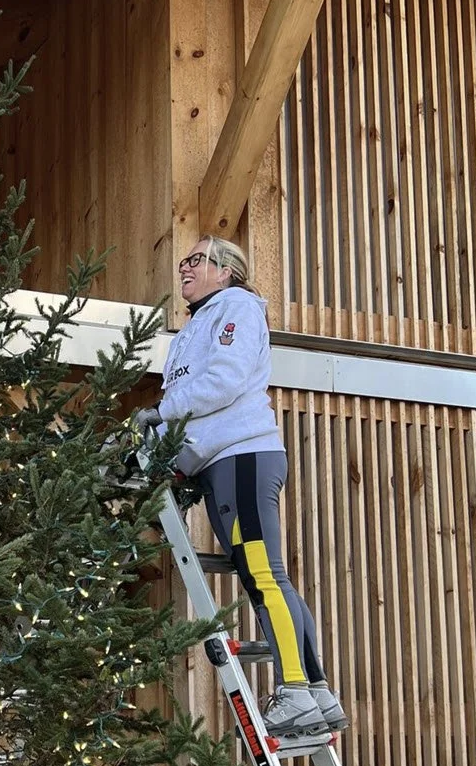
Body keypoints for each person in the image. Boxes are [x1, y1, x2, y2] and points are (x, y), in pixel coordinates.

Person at [138, 236, 348, 739]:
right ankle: (315, 692)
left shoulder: (237, 308)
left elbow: (224, 384)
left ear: (226, 270)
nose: (183, 269)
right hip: (222, 463)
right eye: (182, 262)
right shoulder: (196, 325)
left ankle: (295, 690)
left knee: (263, 575)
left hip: (243, 459)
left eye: (196, 261)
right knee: (267, 576)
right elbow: (200, 407)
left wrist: (160, 413)